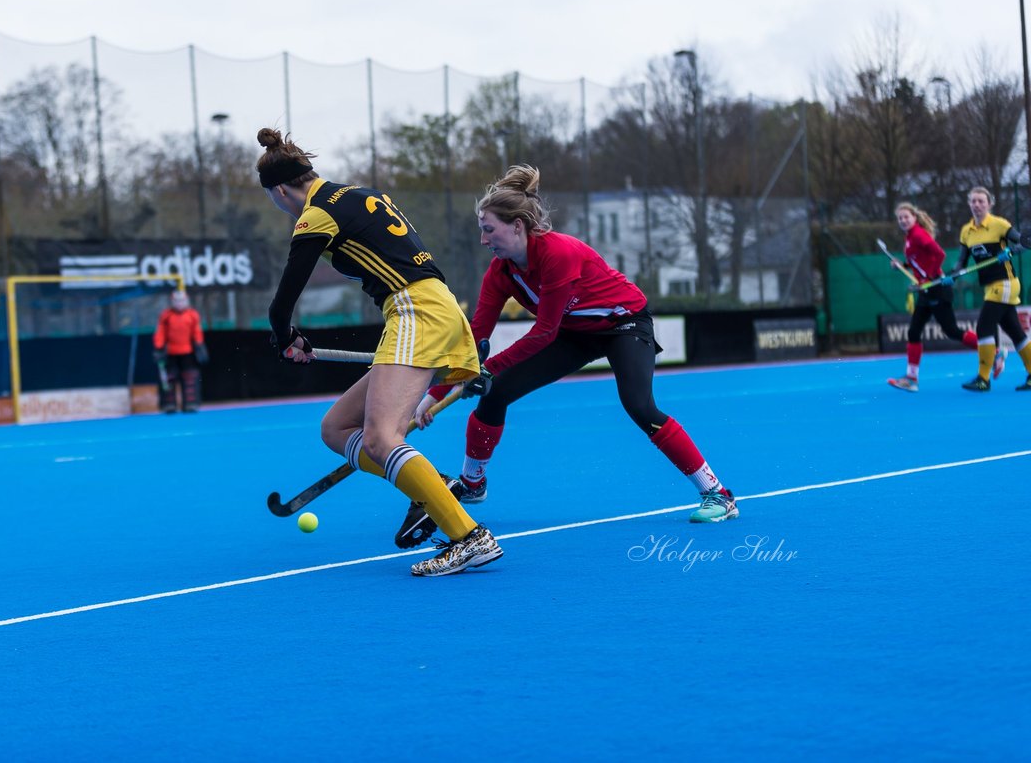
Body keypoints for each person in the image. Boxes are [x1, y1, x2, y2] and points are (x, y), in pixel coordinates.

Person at [412, 164, 738, 527]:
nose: (484, 240)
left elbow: (544, 332)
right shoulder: (500, 272)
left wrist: (486, 369)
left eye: (489, 230)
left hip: (623, 324)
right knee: (496, 393)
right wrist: (434, 393)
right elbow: (475, 337)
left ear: (517, 226)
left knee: (639, 406)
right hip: (574, 331)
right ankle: (473, 483)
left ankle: (718, 495)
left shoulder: (558, 254)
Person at [256, 127, 503, 576]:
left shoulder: (315, 214)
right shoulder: (360, 194)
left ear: (279, 191)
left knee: (381, 438)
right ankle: (431, 488)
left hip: (415, 309)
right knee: (336, 428)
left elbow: (286, 295)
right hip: (431, 305)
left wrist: (283, 334)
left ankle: (469, 537)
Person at [886, 202, 985, 392]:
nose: (903, 220)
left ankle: (992, 351)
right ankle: (911, 379)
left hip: (937, 288)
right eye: (900, 218)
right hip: (926, 291)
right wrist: (903, 265)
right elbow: (918, 261)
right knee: (914, 332)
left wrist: (930, 278)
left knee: (952, 331)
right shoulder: (909, 238)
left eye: (906, 217)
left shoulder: (918, 234)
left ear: (914, 217)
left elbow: (939, 254)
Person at [945, 186, 1031, 392]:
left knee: (984, 327)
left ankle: (983, 379)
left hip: (1006, 282)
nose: (977, 205)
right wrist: (953, 275)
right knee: (1015, 331)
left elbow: (1025, 242)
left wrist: (1010, 252)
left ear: (989, 204)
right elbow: (962, 261)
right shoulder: (967, 231)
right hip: (990, 286)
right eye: (973, 201)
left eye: (981, 201)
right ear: (969, 204)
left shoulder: (999, 225)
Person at [153, 289, 208, 413]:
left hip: (188, 353)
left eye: (182, 301)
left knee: (190, 379)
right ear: (172, 301)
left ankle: (191, 403)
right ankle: (169, 405)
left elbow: (197, 332)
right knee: (169, 380)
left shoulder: (192, 315)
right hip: (171, 353)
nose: (179, 303)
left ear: (186, 301)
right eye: (176, 301)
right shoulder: (166, 315)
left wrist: (199, 345)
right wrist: (158, 347)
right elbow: (160, 333)